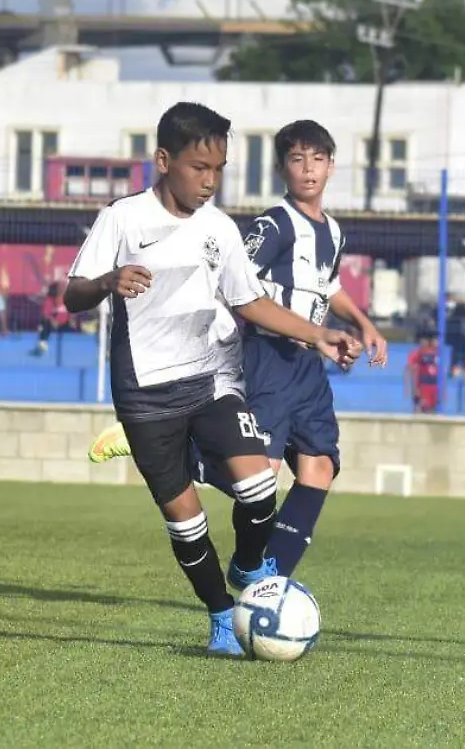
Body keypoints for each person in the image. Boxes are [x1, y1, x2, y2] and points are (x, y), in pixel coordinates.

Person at [60, 103, 358, 656]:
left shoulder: (219, 228)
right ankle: (221, 616)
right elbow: (71, 294)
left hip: (211, 379)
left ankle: (248, 565)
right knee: (186, 524)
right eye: (200, 168)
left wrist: (319, 335)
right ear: (164, 160)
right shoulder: (122, 219)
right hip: (145, 393)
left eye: (218, 169)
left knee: (259, 486)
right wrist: (108, 280)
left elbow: (252, 302)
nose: (210, 180)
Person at [407, 328, 442, 414]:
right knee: (420, 408)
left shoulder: (437, 353)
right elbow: (412, 371)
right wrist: (415, 388)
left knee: (432, 410)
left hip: (434, 386)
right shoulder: (417, 353)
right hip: (423, 385)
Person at [34, 281, 71, 357]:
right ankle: (42, 345)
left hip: (64, 324)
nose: (63, 289)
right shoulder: (49, 300)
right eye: (60, 288)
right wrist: (53, 321)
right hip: (52, 324)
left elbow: (70, 315)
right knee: (45, 324)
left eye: (63, 288)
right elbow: (46, 314)